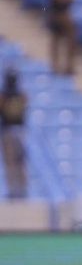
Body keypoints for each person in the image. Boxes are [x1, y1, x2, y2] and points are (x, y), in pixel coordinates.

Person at [0, 67, 28, 199]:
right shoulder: (21, 96)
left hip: (10, 131)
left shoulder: (5, 97)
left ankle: (16, 190)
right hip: (19, 131)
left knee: (13, 162)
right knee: (18, 162)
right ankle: (20, 190)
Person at [46, 0, 76, 75]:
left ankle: (69, 66)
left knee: (70, 40)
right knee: (56, 41)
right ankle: (55, 66)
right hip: (56, 13)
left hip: (64, 12)